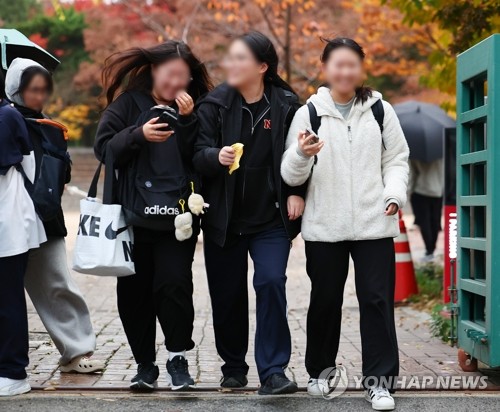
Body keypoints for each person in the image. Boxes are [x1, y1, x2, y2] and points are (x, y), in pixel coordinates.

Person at [281, 37, 409, 410]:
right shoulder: (310, 112)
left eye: (352, 64)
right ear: (325, 68)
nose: (345, 71)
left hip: (375, 220)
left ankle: (380, 383)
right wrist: (302, 155)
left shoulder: (380, 110)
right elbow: (290, 173)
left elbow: (397, 159)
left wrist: (393, 195)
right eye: (338, 64)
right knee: (324, 301)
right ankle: (320, 372)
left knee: (377, 300)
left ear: (360, 68)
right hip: (325, 224)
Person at [94, 41, 212, 392]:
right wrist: (137, 134)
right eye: (169, 74)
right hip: (133, 215)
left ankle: (178, 359)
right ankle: (145, 364)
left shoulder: (197, 107)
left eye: (183, 77)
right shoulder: (129, 104)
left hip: (179, 218)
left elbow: (201, 154)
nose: (176, 82)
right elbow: (104, 148)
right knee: (134, 292)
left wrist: (189, 121)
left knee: (174, 285)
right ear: (153, 70)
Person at [192, 31, 306, 395]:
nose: (231, 64)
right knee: (227, 293)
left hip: (271, 218)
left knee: (271, 281)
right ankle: (234, 366)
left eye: (240, 58)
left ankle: (273, 371)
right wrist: (215, 157)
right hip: (224, 219)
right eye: (230, 57)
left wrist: (298, 193)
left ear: (261, 66)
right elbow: (196, 154)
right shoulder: (214, 105)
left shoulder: (287, 105)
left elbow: (303, 154)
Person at [5, 58, 104, 374]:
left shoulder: (50, 127)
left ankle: (77, 351)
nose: (39, 96)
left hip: (45, 216)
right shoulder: (7, 120)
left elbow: (62, 170)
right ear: (15, 89)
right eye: (33, 90)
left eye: (43, 90)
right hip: (11, 218)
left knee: (57, 282)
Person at [0, 70, 46, 396]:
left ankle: (14, 372)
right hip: (12, 218)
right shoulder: (10, 116)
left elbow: (28, 168)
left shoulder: (6, 117)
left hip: (9, 220)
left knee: (8, 299)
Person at [409, 158, 444, 262]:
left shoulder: (416, 155)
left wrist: (409, 191)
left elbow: (413, 175)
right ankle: (432, 249)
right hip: (438, 191)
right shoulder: (441, 155)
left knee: (424, 223)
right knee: (435, 221)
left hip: (421, 191)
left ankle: (429, 250)